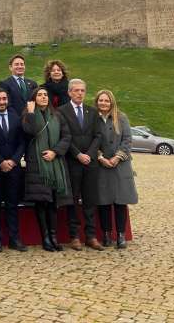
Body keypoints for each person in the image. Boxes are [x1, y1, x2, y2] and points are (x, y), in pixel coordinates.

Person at [22, 87, 72, 252]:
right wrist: (30, 113)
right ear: (33, 98)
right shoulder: (27, 114)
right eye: (39, 95)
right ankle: (45, 238)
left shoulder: (57, 115)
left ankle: (54, 236)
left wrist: (55, 152)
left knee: (53, 203)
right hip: (37, 164)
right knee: (41, 202)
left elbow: (66, 136)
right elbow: (30, 131)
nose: (43, 97)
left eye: (45, 95)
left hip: (54, 162)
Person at [58, 78, 103, 251]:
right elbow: (64, 136)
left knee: (90, 199)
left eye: (82, 90)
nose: (79, 93)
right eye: (76, 90)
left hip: (90, 163)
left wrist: (89, 155)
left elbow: (98, 136)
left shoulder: (92, 112)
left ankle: (91, 236)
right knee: (73, 200)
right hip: (72, 162)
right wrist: (78, 154)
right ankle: (74, 236)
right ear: (69, 92)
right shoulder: (61, 111)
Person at [94, 90, 138, 249]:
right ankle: (106, 234)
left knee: (120, 201)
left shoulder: (121, 117)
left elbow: (127, 140)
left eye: (106, 100)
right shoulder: (93, 118)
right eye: (101, 100)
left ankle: (120, 235)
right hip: (101, 164)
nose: (103, 103)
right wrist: (100, 157)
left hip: (120, 165)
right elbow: (91, 140)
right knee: (104, 201)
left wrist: (117, 157)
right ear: (97, 101)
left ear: (111, 102)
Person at [0, 87, 27, 252]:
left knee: (12, 204)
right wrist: (0, 161)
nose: (2, 102)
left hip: (14, 168)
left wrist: (14, 161)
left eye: (4, 99)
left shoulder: (16, 117)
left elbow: (22, 142)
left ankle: (14, 238)